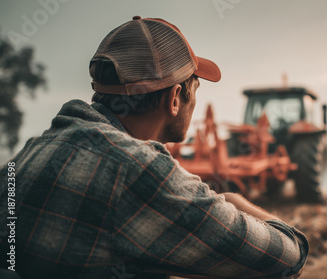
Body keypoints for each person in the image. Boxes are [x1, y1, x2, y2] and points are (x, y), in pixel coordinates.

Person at [0, 16, 308, 279]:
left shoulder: (27, 155)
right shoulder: (139, 170)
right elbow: (286, 258)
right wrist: (231, 201)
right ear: (175, 98)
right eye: (195, 89)